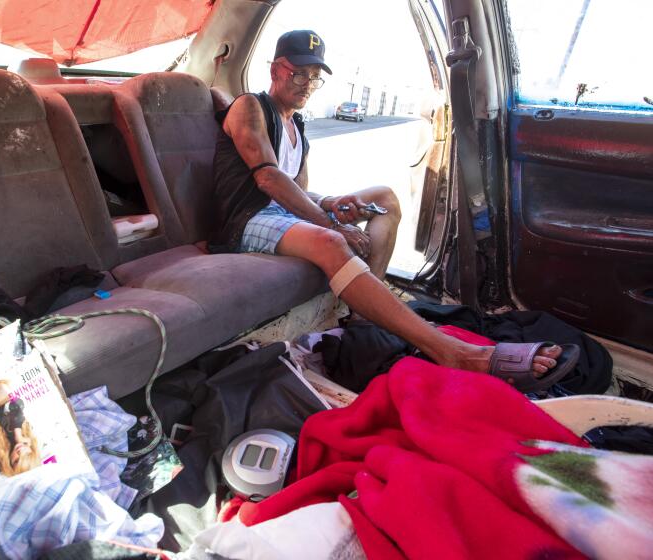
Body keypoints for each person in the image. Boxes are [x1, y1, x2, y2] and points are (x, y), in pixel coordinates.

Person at [208, 29, 568, 384]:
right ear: (275, 70)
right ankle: (452, 353)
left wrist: (332, 203)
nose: (306, 83)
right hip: (248, 219)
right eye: (298, 72)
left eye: (314, 78)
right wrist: (332, 225)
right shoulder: (250, 107)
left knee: (383, 197)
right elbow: (268, 179)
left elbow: (300, 191)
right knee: (331, 241)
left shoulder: (296, 128)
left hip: (283, 214)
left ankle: (365, 316)